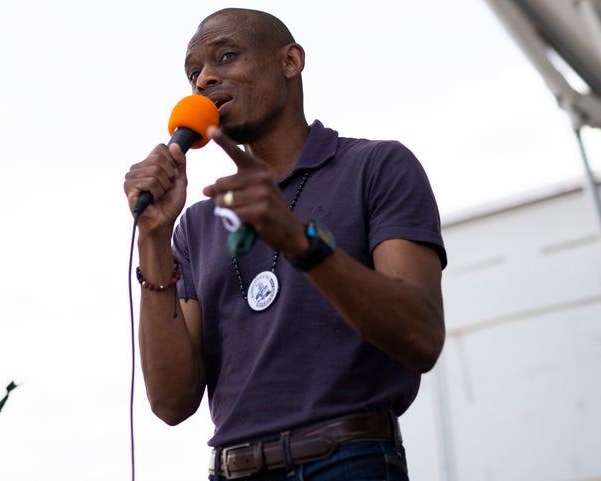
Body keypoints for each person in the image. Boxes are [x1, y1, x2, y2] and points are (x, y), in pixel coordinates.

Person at [123, 7, 446, 480]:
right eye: (194, 73)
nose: (205, 78)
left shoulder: (377, 167)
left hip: (348, 459)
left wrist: (299, 242)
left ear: (290, 61)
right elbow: (171, 403)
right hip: (231, 469)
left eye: (226, 56)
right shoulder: (195, 224)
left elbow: (420, 338)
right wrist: (154, 236)